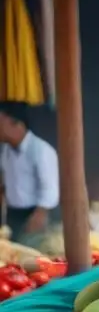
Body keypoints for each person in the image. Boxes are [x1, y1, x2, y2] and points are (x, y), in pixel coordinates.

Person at [0, 101, 59, 243]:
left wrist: (39, 216)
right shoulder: (6, 150)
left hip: (34, 215)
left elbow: (49, 189)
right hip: (13, 214)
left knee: (31, 256)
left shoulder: (41, 150)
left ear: (16, 124)